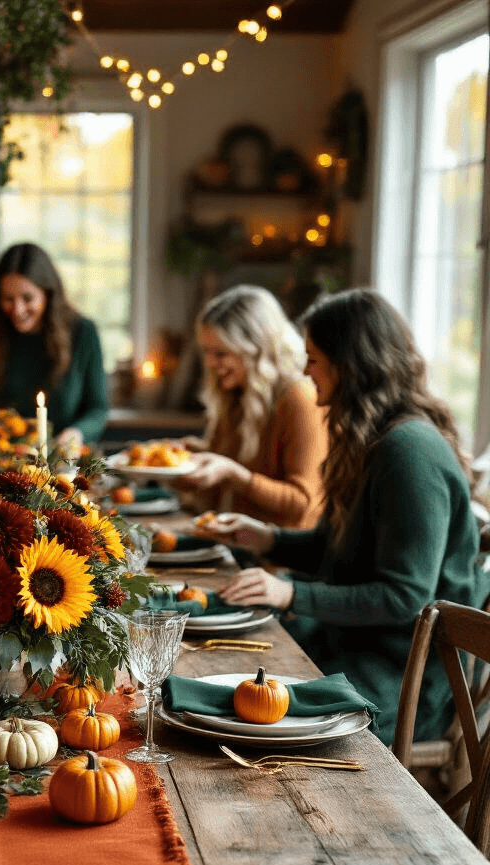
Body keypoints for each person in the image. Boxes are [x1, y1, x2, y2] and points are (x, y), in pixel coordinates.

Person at [204, 289, 488, 744]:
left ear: (350, 365)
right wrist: (268, 540)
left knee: (246, 711)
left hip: (406, 677)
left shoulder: (409, 452)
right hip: (353, 645)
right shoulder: (372, 437)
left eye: (313, 359)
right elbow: (339, 547)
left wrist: (290, 593)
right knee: (231, 676)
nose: (303, 372)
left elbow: (404, 596)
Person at [174, 285, 327, 528]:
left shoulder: (299, 398)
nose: (209, 362)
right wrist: (182, 462)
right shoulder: (236, 394)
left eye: (221, 353)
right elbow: (228, 473)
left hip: (279, 556)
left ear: (257, 350)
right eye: (207, 351)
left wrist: (234, 474)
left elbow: (302, 505)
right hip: (237, 543)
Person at [0, 242, 109, 450]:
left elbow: (98, 408)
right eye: (8, 298)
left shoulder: (83, 333)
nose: (17, 310)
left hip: (63, 461)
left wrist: (77, 433)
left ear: (48, 294)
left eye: (27, 298)